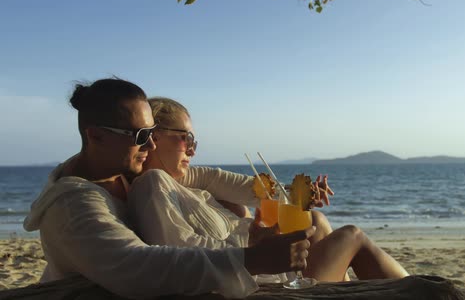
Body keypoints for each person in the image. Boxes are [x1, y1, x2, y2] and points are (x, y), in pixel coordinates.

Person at [23, 77, 315, 299]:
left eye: (152, 133)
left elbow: (213, 178)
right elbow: (140, 267)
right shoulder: (72, 207)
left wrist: (292, 193)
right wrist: (253, 258)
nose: (150, 145)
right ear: (96, 136)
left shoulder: (123, 174)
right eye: (140, 135)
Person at [127, 96, 410, 284]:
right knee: (352, 236)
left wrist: (302, 193)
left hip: (270, 270)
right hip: (259, 281)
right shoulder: (154, 184)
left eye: (194, 140)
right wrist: (252, 250)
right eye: (184, 138)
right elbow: (178, 251)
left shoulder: (188, 179)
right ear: (153, 137)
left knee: (315, 220)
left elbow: (257, 190)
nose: (192, 148)